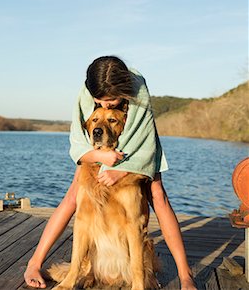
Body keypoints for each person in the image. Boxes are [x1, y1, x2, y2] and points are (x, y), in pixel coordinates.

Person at [24, 56, 197, 290]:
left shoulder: (138, 90)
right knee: (73, 195)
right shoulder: (87, 91)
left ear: (123, 91)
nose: (105, 104)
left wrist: (122, 169)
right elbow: (78, 140)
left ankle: (186, 276)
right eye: (99, 101)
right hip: (97, 154)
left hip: (137, 149)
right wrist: (99, 157)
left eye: (111, 100)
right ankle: (34, 263)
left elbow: (141, 137)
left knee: (158, 194)